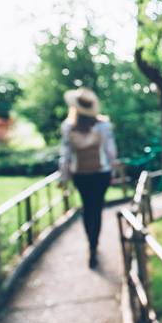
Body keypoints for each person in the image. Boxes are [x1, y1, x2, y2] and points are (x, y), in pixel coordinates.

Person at [58, 87, 119, 268]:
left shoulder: (68, 127)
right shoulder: (103, 125)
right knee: (97, 209)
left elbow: (66, 155)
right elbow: (111, 151)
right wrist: (113, 172)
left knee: (87, 209)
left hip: (81, 175)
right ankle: (94, 244)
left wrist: (63, 177)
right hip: (101, 173)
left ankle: (90, 245)